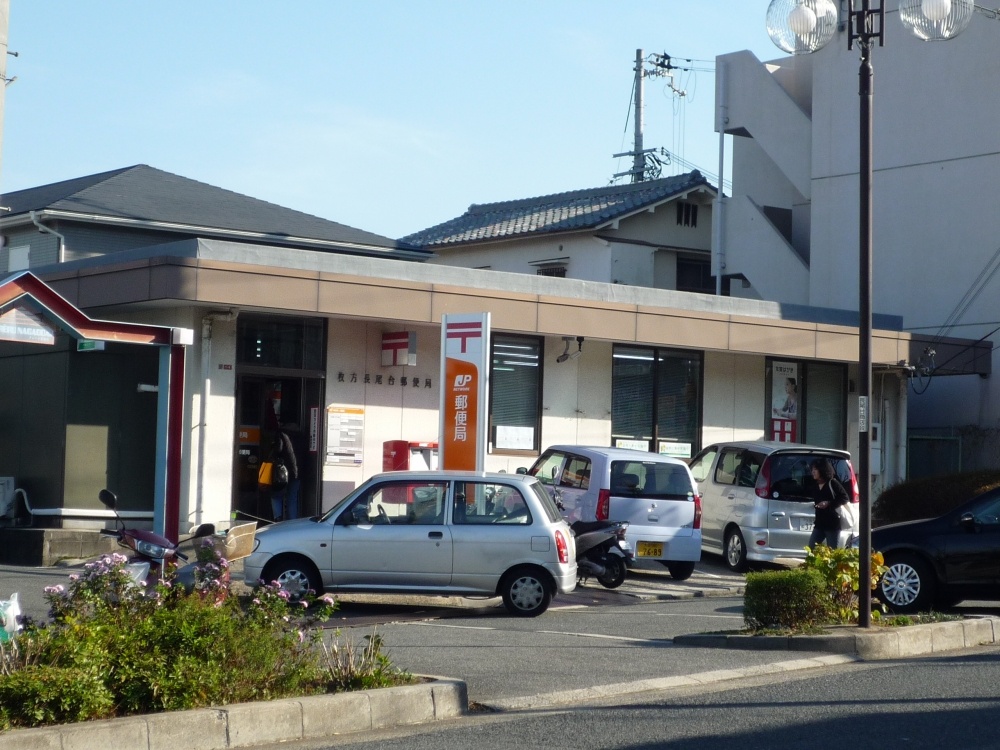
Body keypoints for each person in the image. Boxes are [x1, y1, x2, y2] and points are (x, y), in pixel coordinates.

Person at [807, 458, 849, 549]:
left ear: (822, 470)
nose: (813, 472)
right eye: (812, 469)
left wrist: (829, 503)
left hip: (832, 524)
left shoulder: (832, 483)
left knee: (832, 551)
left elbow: (845, 498)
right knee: (811, 548)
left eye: (815, 469)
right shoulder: (815, 485)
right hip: (819, 524)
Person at [270, 427, 300, 522]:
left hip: (281, 473)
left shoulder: (281, 433)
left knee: (276, 495)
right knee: (292, 499)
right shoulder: (301, 434)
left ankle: (277, 521)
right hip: (297, 472)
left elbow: (278, 449)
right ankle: (292, 523)